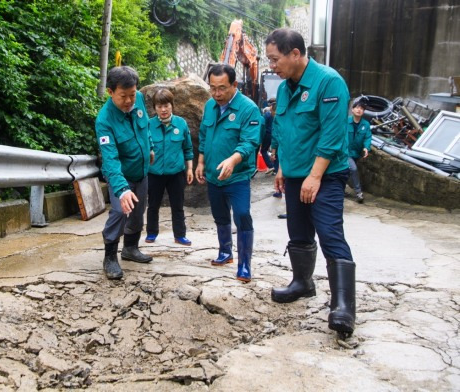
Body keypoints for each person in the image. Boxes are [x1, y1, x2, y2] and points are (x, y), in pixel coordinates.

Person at [265, 28, 356, 335]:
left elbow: (332, 135)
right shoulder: (287, 87)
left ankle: (343, 306)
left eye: (275, 59)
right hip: (293, 174)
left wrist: (315, 176)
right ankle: (303, 283)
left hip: (326, 175)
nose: (272, 66)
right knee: (299, 232)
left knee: (330, 233)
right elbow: (285, 129)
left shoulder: (328, 82)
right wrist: (281, 167)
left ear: (295, 54)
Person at [195, 64, 261, 283]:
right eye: (212, 88)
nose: (217, 94)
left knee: (242, 215)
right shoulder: (210, 106)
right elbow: (204, 135)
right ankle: (225, 252)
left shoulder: (248, 109)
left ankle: (244, 265)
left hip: (238, 175)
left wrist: (233, 160)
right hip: (214, 175)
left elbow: (250, 141)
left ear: (234, 84)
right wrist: (201, 162)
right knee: (220, 215)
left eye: (222, 88)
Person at [95, 66, 154, 280]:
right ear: (110, 92)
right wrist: (122, 189)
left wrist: (151, 147)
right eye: (123, 96)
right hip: (121, 175)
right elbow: (110, 159)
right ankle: (110, 256)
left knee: (138, 211)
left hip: (141, 171)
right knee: (121, 211)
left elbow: (146, 127)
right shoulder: (104, 121)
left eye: (132, 94)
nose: (130, 101)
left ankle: (130, 248)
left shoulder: (138, 99)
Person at [145, 88, 194, 245]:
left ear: (172, 105)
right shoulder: (149, 125)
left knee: (177, 205)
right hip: (154, 173)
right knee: (153, 205)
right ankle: (151, 233)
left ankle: (180, 235)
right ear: (155, 108)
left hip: (176, 173)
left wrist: (190, 169)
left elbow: (188, 148)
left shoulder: (181, 124)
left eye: (166, 105)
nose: (163, 110)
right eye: (159, 106)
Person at [347, 99, 372, 203]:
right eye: (357, 107)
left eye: (361, 108)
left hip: (356, 153)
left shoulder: (365, 124)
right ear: (352, 110)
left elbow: (367, 137)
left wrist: (366, 147)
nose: (359, 110)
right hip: (345, 152)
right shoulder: (346, 121)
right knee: (353, 169)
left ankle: (341, 189)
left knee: (347, 172)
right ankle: (358, 193)